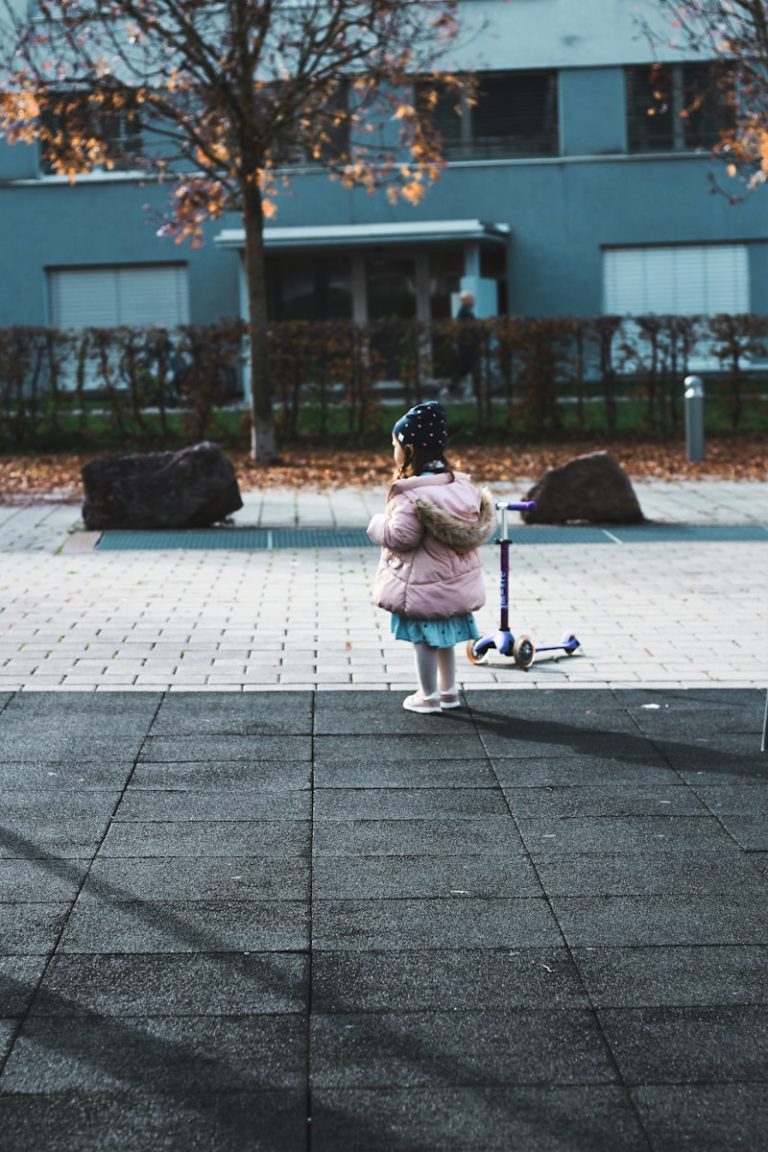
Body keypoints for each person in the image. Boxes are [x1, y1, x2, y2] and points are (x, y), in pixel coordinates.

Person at [367, 400, 495, 714]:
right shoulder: (460, 487)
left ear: (409, 449)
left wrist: (376, 525)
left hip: (423, 586)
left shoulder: (411, 493)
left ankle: (427, 695)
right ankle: (449, 692)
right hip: (453, 586)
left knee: (423, 640)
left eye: (395, 444)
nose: (393, 449)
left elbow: (402, 537)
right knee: (446, 639)